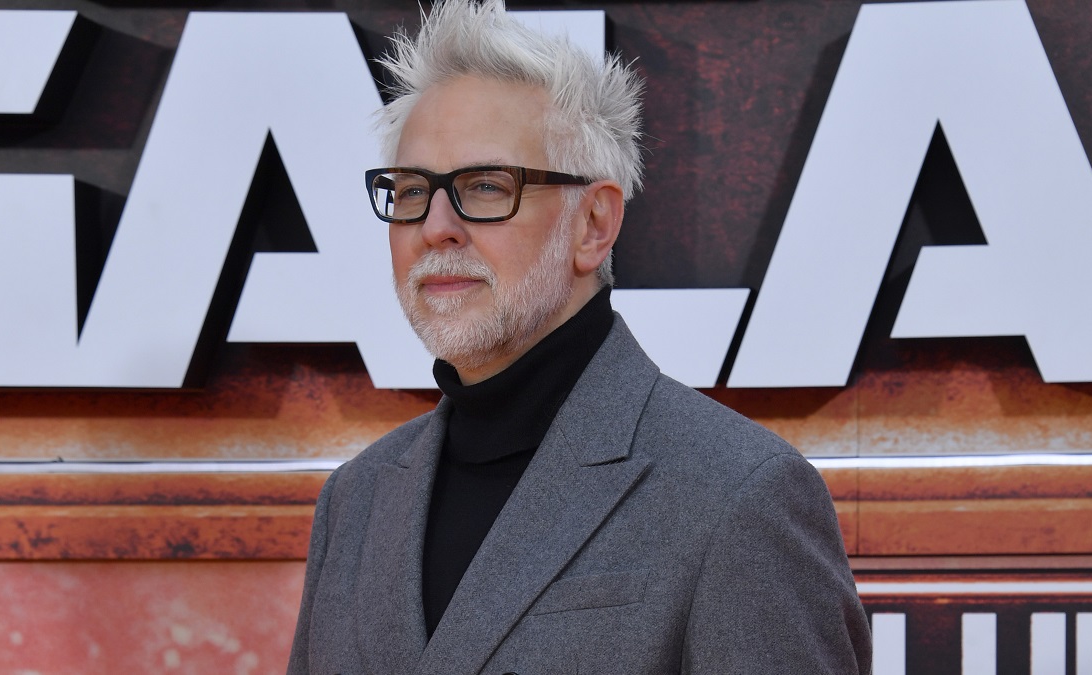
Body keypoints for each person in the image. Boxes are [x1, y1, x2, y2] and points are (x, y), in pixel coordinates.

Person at [288, 1, 872, 673]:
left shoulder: (739, 493)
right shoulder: (353, 504)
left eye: (484, 185)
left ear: (593, 223)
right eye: (413, 189)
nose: (436, 226)